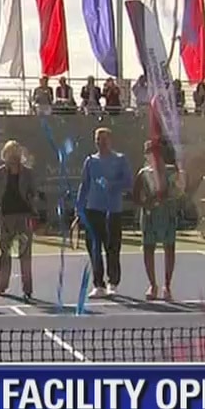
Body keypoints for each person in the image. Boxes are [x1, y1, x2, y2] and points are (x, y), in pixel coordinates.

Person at [76, 127, 132, 298]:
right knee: (94, 248)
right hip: (93, 210)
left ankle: (112, 283)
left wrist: (113, 185)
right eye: (97, 139)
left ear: (110, 140)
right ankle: (98, 284)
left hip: (112, 211)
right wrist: (79, 210)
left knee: (112, 248)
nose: (100, 142)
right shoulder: (90, 161)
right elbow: (84, 185)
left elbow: (128, 182)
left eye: (103, 139)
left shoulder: (120, 159)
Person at [134, 140, 182, 301]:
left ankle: (167, 286)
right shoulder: (143, 173)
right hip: (149, 216)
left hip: (167, 214)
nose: (152, 155)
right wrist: (146, 202)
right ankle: (152, 285)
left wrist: (167, 194)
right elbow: (136, 196)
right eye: (149, 152)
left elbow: (178, 191)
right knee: (148, 248)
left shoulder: (172, 170)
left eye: (155, 152)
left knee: (169, 248)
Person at [0, 140, 38, 299]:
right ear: (5, 155)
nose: (13, 157)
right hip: (6, 216)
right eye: (10, 154)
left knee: (25, 254)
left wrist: (32, 203)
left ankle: (28, 289)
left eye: (16, 153)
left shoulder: (28, 172)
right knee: (4, 252)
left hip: (24, 216)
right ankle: (1, 287)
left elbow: (34, 192)